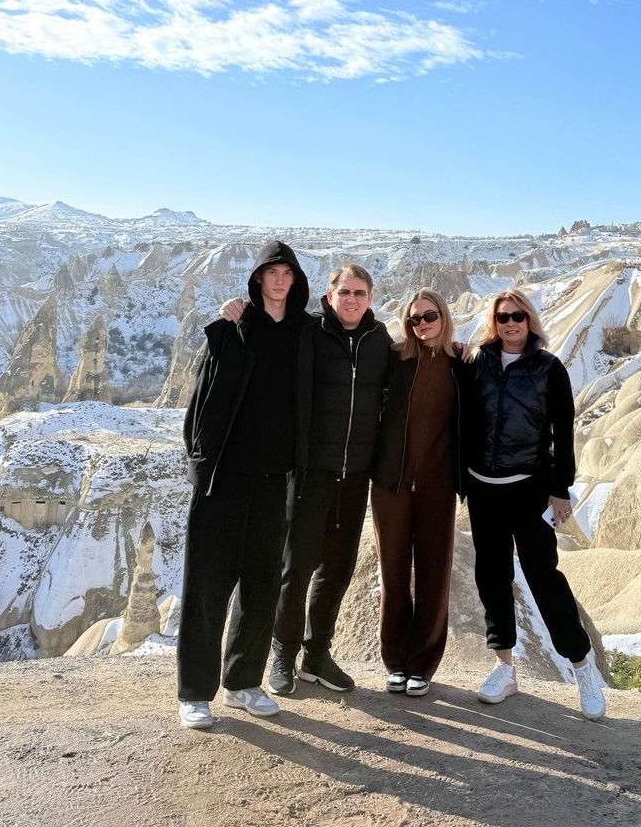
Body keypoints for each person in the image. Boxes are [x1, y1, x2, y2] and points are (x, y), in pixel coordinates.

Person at [176, 240, 310, 729]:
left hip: (277, 481)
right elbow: (201, 398)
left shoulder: (306, 333)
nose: (278, 280)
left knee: (260, 590)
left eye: (286, 273)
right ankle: (194, 691)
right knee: (208, 586)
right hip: (224, 480)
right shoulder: (233, 327)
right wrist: (200, 462)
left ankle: (242, 683)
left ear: (295, 280)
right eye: (270, 272)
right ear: (257, 279)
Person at [462, 289, 606, 721]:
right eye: (503, 317)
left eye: (518, 317)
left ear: (530, 321)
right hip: (483, 488)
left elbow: (565, 432)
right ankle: (505, 670)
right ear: (494, 321)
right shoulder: (478, 364)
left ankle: (583, 668)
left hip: (528, 488)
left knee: (544, 577)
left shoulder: (549, 368)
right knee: (492, 575)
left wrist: (560, 489)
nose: (510, 324)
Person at [268, 264, 392, 694]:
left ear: (370, 297)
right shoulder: (310, 331)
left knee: (336, 569)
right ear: (330, 294)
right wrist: (237, 311)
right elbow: (270, 331)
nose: (352, 299)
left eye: (360, 292)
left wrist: (460, 351)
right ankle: (282, 652)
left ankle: (316, 653)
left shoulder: (381, 342)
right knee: (296, 566)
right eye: (345, 292)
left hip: (355, 477)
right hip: (310, 473)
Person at [371, 290, 462, 698]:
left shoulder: (462, 363)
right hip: (390, 483)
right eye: (413, 320)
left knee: (432, 574)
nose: (421, 325)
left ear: (443, 316)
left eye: (429, 316)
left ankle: (422, 665)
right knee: (393, 574)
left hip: (438, 485)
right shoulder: (394, 359)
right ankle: (395, 661)